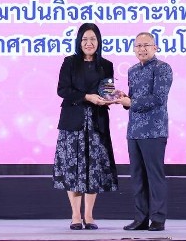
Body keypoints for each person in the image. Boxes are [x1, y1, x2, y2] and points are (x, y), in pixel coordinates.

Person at [53, 23, 118, 230]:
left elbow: (107, 90)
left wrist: (110, 98)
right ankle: (75, 215)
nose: (89, 43)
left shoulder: (106, 65)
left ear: (99, 41)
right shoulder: (70, 62)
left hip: (97, 122)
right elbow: (62, 90)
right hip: (73, 122)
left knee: (93, 169)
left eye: (92, 39)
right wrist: (87, 97)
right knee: (73, 169)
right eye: (85, 39)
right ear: (79, 42)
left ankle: (89, 215)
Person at [116, 32, 173, 232]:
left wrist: (131, 102)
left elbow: (158, 98)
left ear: (155, 47)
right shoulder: (132, 70)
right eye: (138, 46)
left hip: (154, 130)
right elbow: (133, 100)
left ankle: (157, 219)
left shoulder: (162, 68)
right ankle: (140, 218)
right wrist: (123, 98)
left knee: (154, 176)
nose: (142, 49)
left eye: (146, 45)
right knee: (137, 177)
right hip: (134, 131)